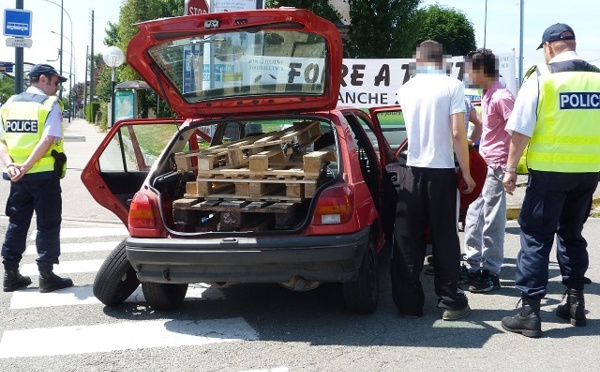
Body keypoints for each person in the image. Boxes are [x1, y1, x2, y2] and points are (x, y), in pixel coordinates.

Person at [501, 23, 600, 338]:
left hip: (549, 174)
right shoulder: (598, 77)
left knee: (536, 237)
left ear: (548, 47)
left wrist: (510, 168)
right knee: (572, 234)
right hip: (588, 173)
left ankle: (529, 311)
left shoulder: (542, 79)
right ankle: (574, 303)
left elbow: (520, 129)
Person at [391, 40, 475, 321]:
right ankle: (451, 300)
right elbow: (457, 133)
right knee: (445, 237)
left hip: (411, 171)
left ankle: (408, 303)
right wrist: (466, 172)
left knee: (407, 238)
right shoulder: (453, 86)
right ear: (443, 61)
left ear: (418, 61)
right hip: (441, 172)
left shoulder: (406, 89)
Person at [1, 64, 73, 293]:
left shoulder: (9, 104)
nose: (58, 87)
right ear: (42, 79)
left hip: (17, 177)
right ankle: (46, 275)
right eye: (55, 82)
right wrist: (26, 166)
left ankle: (10, 275)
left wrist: (11, 165)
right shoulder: (49, 104)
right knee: (48, 224)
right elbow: (48, 139)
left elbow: (2, 140)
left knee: (16, 222)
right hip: (43, 176)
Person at [461, 48, 515, 293]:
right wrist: (472, 145)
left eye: (470, 69)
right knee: (474, 215)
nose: (467, 74)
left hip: (496, 167)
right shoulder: (487, 94)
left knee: (492, 220)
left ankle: (491, 272)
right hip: (484, 164)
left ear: (482, 70)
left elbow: (518, 131)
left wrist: (510, 168)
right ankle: (473, 266)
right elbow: (485, 127)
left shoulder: (502, 96)